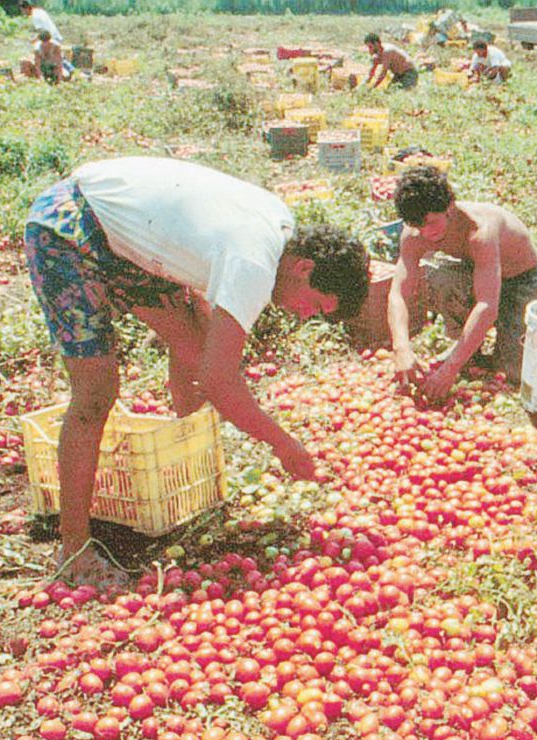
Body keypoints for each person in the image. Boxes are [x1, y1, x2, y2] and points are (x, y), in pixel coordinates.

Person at [23, 157, 369, 584]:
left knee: (195, 346)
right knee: (96, 392)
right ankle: (74, 549)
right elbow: (219, 381)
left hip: (125, 237)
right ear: (305, 268)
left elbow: (204, 339)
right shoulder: (255, 264)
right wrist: (283, 444)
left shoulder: (279, 228)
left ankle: (191, 482)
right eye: (315, 304)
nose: (303, 315)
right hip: (70, 226)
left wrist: (195, 365)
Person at [389, 165, 537, 400]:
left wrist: (449, 370)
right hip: (478, 272)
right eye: (418, 225)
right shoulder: (414, 234)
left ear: (450, 208)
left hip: (522, 280)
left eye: (432, 222)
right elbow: (398, 294)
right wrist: (401, 348)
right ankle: (467, 350)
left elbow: (487, 305)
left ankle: (476, 348)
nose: (426, 232)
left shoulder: (480, 231)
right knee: (443, 278)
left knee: (514, 370)